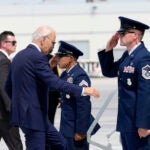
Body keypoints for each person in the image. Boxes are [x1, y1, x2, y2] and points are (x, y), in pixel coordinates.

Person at [5, 25, 100, 150]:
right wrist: (83, 90)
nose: (53, 47)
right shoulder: (37, 57)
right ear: (43, 39)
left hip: (31, 116)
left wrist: (21, 104)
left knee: (60, 144)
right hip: (34, 116)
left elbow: (8, 87)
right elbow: (54, 82)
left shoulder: (19, 56)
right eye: (53, 43)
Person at [98, 16, 150, 150]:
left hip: (138, 124)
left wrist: (144, 124)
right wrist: (109, 49)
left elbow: (146, 94)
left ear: (136, 35)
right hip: (126, 122)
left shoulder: (144, 58)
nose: (119, 35)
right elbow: (109, 71)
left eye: (123, 33)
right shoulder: (128, 56)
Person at [55, 41, 100, 150]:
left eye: (60, 56)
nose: (57, 59)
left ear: (70, 58)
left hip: (76, 129)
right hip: (67, 127)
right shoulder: (65, 74)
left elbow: (83, 105)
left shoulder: (80, 76)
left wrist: (81, 131)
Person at [0, 31, 23, 150]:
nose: (15, 45)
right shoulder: (3, 61)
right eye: (13, 42)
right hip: (5, 115)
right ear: (4, 43)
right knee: (16, 147)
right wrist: (12, 109)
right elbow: (4, 86)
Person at [46, 53, 60, 124]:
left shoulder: (50, 57)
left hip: (52, 97)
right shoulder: (36, 57)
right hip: (40, 96)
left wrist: (59, 95)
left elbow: (55, 77)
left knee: (50, 121)